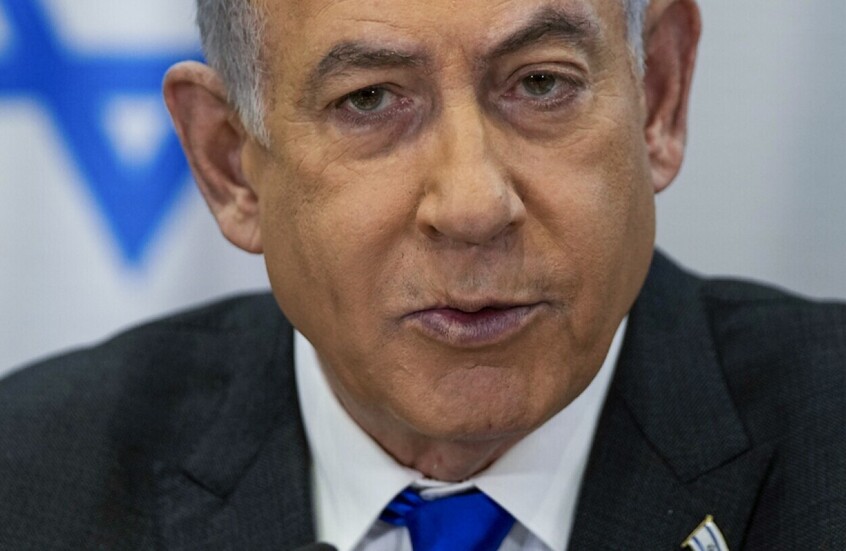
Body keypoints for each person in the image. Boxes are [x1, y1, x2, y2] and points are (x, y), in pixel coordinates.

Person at [1, 0, 843, 549]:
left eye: (541, 84)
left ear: (657, 95)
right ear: (231, 167)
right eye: (368, 100)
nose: (473, 204)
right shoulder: (31, 481)